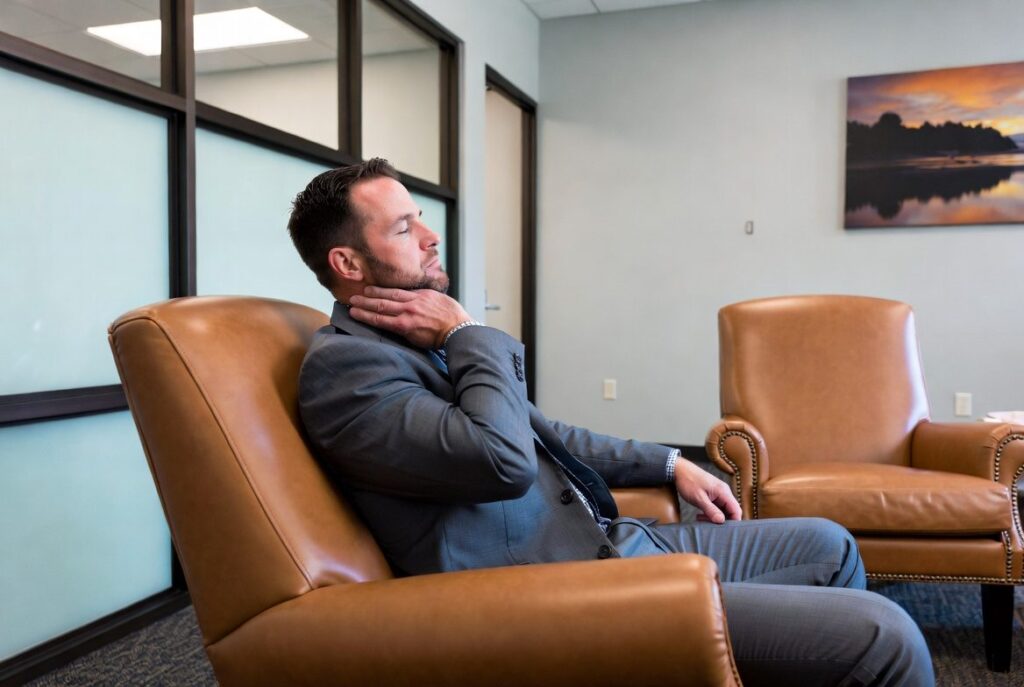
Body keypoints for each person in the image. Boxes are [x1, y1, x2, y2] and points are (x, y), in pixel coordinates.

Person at [287, 158, 934, 687]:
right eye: (403, 228)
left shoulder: (417, 339)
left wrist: (669, 463)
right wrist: (467, 331)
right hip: (564, 597)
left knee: (829, 543)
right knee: (885, 635)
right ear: (347, 264)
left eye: (421, 219)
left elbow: (546, 434)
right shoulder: (348, 370)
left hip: (610, 540)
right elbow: (503, 461)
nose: (430, 236)